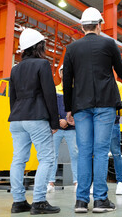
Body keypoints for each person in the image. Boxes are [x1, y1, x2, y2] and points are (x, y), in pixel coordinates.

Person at [63, 7, 122, 213]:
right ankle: (100, 200)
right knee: (101, 152)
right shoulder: (108, 43)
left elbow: (66, 80)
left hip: (81, 106)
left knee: (85, 152)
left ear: (82, 26)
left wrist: (69, 109)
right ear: (98, 25)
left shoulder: (72, 49)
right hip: (105, 104)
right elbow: (121, 72)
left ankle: (80, 201)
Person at [8, 28, 60, 215]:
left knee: (18, 160)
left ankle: (18, 202)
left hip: (16, 119)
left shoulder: (15, 69)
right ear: (39, 46)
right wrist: (55, 121)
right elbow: (49, 94)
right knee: (46, 158)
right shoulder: (42, 64)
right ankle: (39, 201)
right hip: (36, 117)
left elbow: (11, 98)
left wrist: (16, 113)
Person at [47, 65, 78, 193]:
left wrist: (67, 120)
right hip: (57, 129)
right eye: (63, 72)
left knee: (75, 154)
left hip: (71, 128)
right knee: (52, 155)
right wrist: (56, 122)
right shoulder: (54, 90)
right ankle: (50, 183)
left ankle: (77, 182)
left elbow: (78, 108)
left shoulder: (76, 91)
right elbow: (51, 108)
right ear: (59, 74)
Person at [110, 81, 122, 195]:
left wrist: (116, 116)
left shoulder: (118, 84)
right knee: (98, 153)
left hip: (113, 123)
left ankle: (120, 182)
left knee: (116, 153)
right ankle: (97, 182)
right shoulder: (94, 81)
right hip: (98, 123)